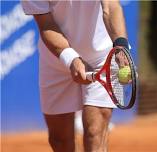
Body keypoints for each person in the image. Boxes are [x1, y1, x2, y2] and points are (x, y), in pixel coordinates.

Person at [22, 1, 130, 152]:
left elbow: (111, 6)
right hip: (56, 59)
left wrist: (120, 47)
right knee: (59, 140)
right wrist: (71, 58)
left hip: (101, 58)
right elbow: (46, 23)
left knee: (95, 133)